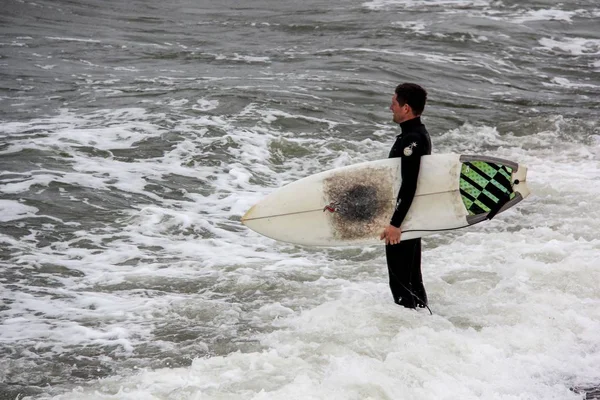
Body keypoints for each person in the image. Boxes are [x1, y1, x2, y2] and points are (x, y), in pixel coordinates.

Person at [379, 83, 432, 309]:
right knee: (412, 280)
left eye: (394, 103)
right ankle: (422, 324)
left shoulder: (413, 140)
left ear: (406, 108)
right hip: (408, 218)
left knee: (401, 284)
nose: (391, 108)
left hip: (403, 221)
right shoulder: (413, 135)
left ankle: (411, 328)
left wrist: (395, 224)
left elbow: (409, 184)